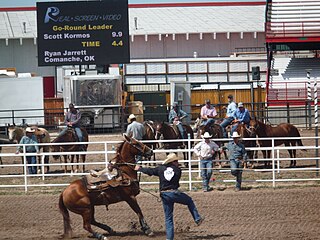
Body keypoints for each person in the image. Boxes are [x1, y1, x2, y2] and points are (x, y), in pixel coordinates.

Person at [134, 153, 204, 240]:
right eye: (176, 161)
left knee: (168, 217)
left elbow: (150, 171)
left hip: (164, 195)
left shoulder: (160, 169)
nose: (177, 162)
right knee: (189, 200)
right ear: (172, 162)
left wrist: (140, 168)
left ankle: (169, 239)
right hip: (174, 193)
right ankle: (197, 218)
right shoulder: (178, 170)